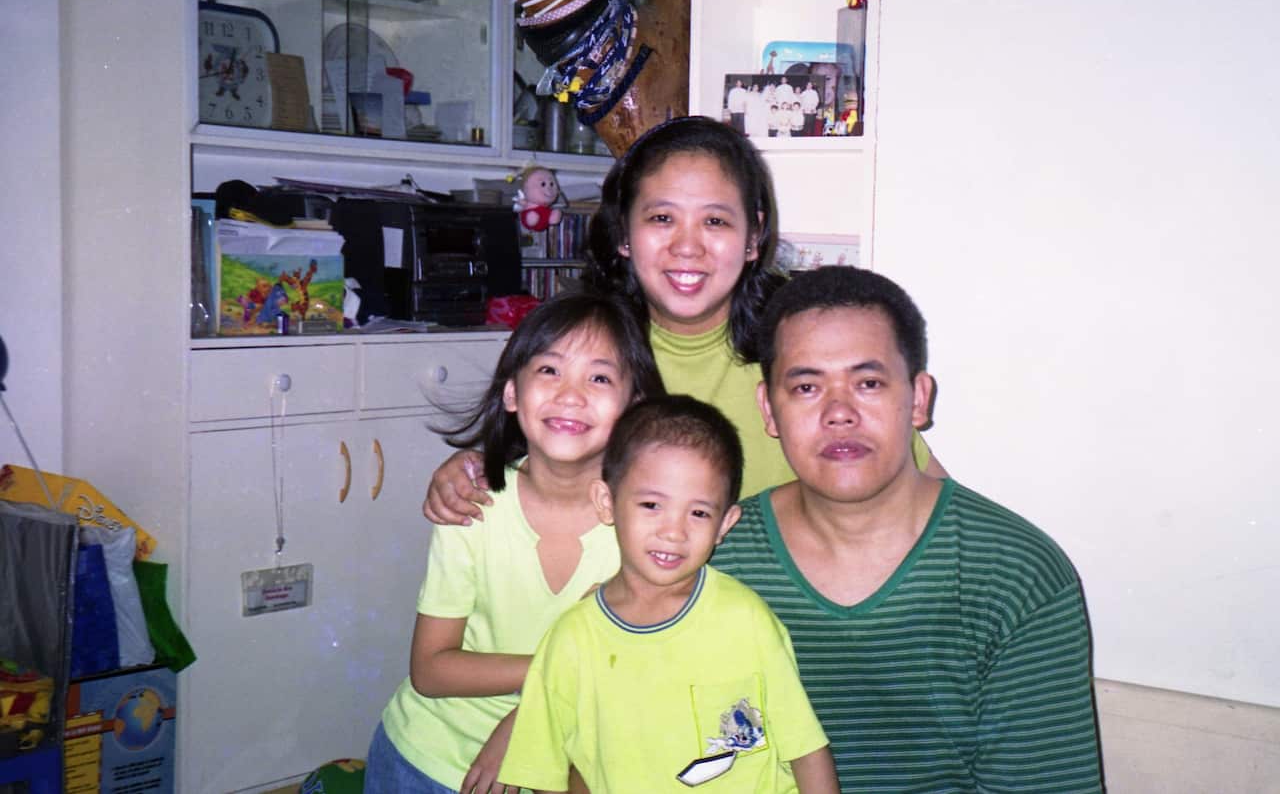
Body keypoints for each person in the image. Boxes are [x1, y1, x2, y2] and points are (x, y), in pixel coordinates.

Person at [421, 116, 939, 522]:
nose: (687, 246)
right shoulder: (585, 351)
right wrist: (468, 471)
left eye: (715, 220)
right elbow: (530, 470)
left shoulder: (804, 347)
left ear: (754, 236)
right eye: (662, 218)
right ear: (624, 232)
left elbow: (922, 488)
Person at [711, 265, 1103, 791]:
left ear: (918, 399)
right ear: (769, 409)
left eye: (868, 383)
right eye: (806, 387)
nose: (839, 413)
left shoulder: (1016, 574)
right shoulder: (714, 559)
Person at [364, 290, 665, 794]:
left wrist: (530, 719)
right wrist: (552, 678)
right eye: (549, 370)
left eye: (599, 377)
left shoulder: (648, 530)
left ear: (635, 405)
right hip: (428, 761)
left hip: (563, 767)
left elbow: (631, 674)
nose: (571, 394)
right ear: (511, 394)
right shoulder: (471, 506)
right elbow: (432, 670)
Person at [498, 395, 839, 793]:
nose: (673, 532)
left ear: (725, 523)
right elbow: (545, 773)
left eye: (698, 513)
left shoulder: (745, 619)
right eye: (651, 504)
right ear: (606, 502)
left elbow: (807, 750)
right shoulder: (571, 641)